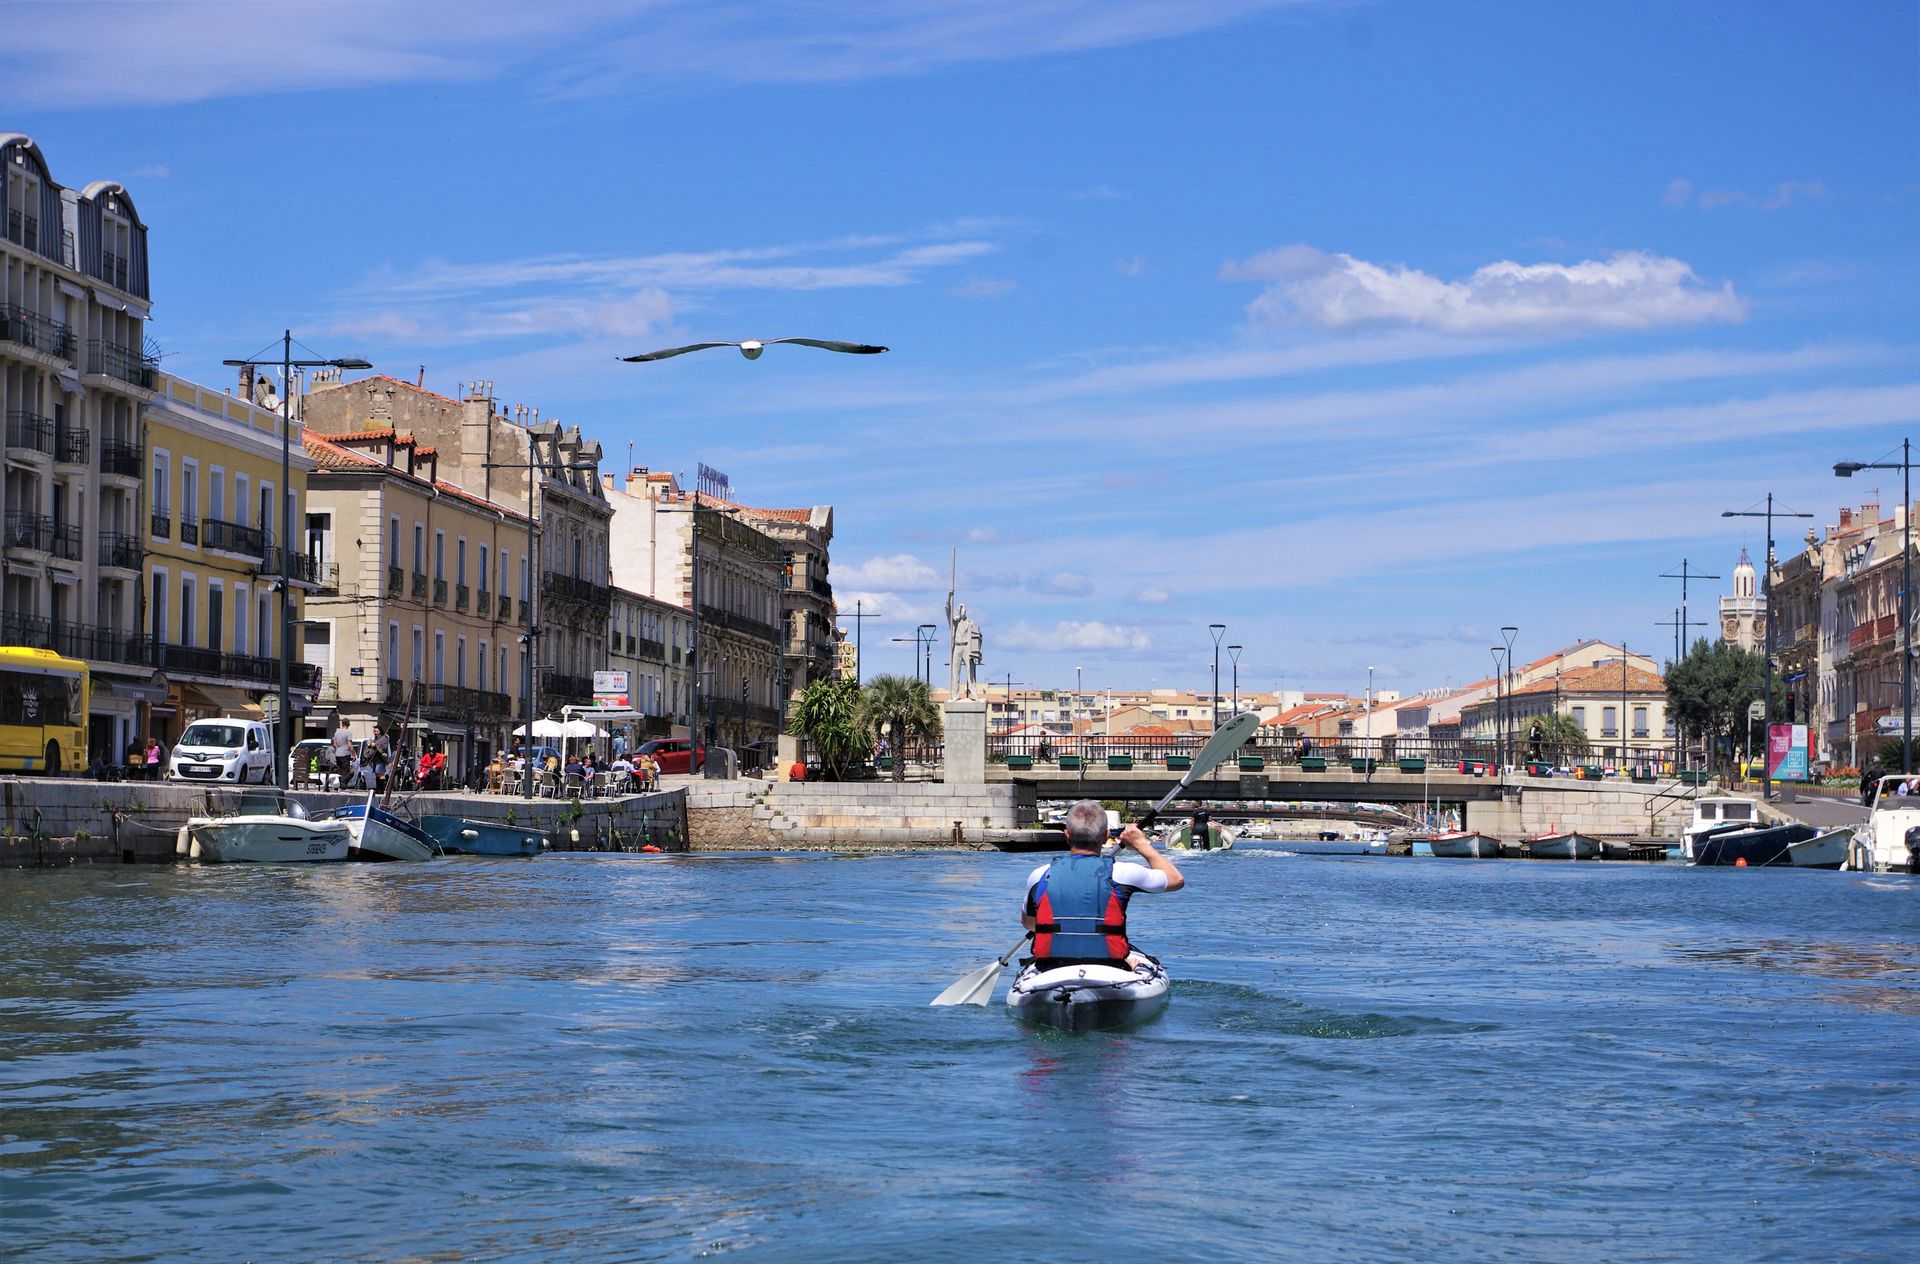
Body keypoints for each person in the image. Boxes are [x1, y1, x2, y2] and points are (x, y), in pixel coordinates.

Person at [1021, 799, 1183, 968]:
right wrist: (1140, 844)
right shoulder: (1123, 873)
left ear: (1067, 835)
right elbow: (1175, 879)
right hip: (1110, 965)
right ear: (1106, 836)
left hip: (1051, 966)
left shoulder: (1040, 875)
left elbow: (1029, 923)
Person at [330, 718, 355, 788]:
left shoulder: (337, 732)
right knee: (348, 772)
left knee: (340, 771)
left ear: (342, 724)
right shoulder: (348, 733)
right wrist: (353, 754)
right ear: (348, 724)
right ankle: (343, 785)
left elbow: (334, 744)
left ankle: (341, 786)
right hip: (345, 754)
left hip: (338, 754)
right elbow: (350, 745)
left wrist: (337, 750)